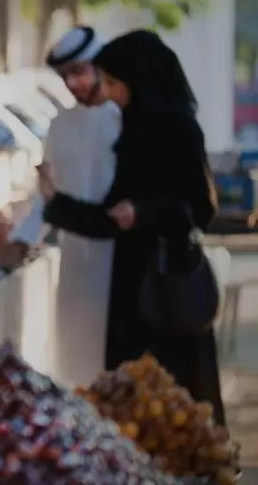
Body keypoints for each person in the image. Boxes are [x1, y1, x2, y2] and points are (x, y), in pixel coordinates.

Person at [39, 29, 226, 424]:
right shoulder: (129, 130)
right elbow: (111, 216)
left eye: (112, 81)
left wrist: (145, 213)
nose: (106, 91)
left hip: (170, 284)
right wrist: (57, 204)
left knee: (179, 406)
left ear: (138, 80)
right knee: (132, 405)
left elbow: (201, 211)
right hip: (130, 288)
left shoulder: (180, 129)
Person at [9, 26, 121, 388]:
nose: (72, 83)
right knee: (75, 367)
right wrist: (23, 239)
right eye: (65, 75)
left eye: (79, 72)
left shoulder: (126, 121)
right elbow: (47, 194)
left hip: (121, 263)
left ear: (100, 66)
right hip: (74, 267)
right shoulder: (60, 126)